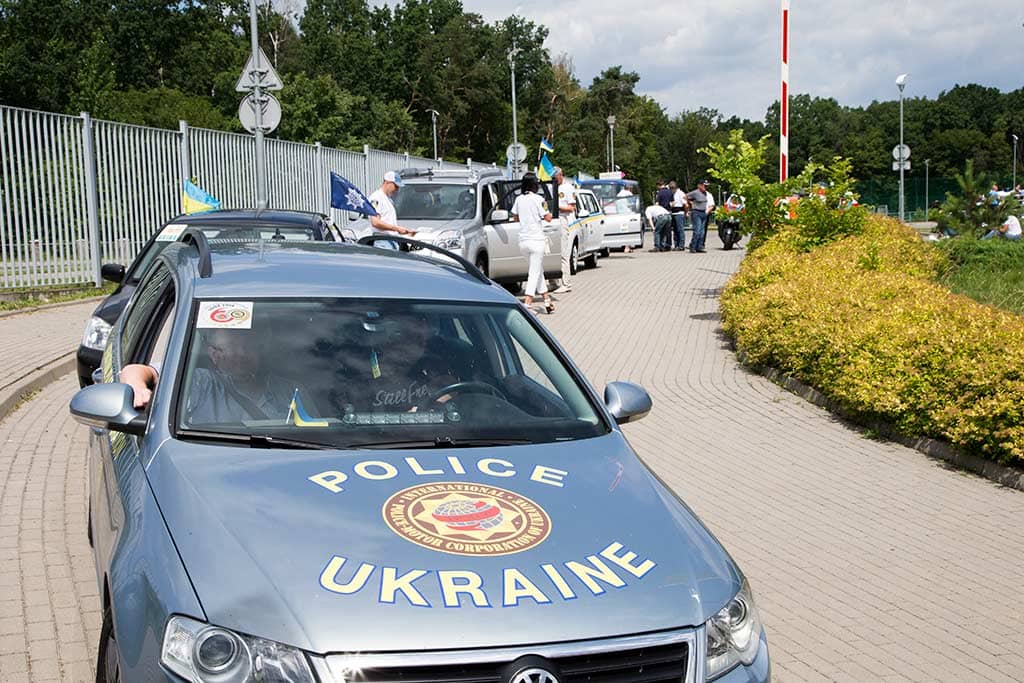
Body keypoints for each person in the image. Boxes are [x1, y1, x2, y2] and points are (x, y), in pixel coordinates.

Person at [121, 328, 295, 423]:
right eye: (232, 348)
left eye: (248, 347)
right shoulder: (198, 382)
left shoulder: (288, 389)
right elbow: (135, 371)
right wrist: (139, 389)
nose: (242, 354)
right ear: (214, 355)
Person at [511, 175, 555, 313]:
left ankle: (546, 300)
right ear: (534, 185)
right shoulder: (539, 199)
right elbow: (548, 218)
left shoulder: (518, 199)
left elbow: (515, 217)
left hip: (523, 241)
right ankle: (527, 303)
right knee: (534, 272)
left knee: (537, 269)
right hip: (536, 240)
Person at [367, 171, 417, 247]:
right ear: (387, 182)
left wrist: (403, 231)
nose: (397, 190)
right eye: (395, 186)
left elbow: (388, 220)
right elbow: (375, 222)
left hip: (391, 240)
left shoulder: (388, 199)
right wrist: (397, 229)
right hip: (383, 240)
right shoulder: (376, 198)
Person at [552, 167, 576, 294]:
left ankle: (566, 283)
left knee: (563, 252)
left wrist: (557, 206)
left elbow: (571, 208)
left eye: (555, 177)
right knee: (550, 251)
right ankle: (553, 282)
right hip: (551, 220)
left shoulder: (567, 188)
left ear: (560, 175)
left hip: (561, 219)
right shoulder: (551, 186)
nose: (553, 179)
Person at [685, 180, 711, 252]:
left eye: (707, 186)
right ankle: (693, 247)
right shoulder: (695, 192)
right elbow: (685, 196)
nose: (706, 187)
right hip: (696, 213)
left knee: (702, 232)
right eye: (704, 186)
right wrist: (690, 203)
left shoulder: (705, 193)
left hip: (703, 213)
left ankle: (699, 247)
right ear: (699, 185)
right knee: (697, 231)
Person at [669, 181, 688, 251]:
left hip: (679, 213)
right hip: (673, 213)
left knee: (680, 230)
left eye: (672, 188)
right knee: (675, 230)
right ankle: (676, 245)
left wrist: (686, 213)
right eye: (670, 188)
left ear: (676, 187)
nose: (671, 189)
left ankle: (681, 245)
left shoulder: (681, 193)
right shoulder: (671, 194)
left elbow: (685, 205)